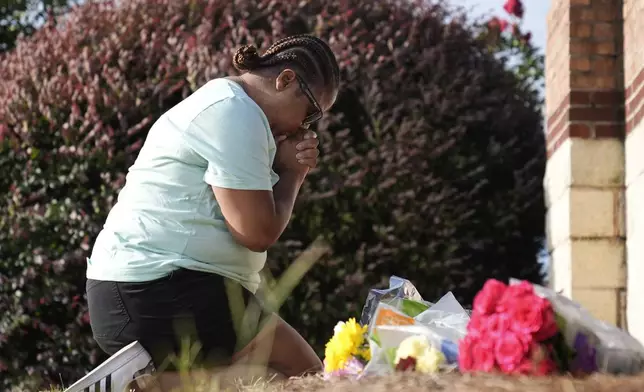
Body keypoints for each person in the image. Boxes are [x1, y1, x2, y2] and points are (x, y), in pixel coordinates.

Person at [80, 34, 340, 391]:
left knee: (279, 380)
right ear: (286, 80)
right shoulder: (236, 112)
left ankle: (156, 386)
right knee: (306, 376)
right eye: (310, 113)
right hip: (153, 288)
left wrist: (282, 167)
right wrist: (294, 174)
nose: (305, 128)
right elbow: (256, 232)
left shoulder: (230, 105)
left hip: (143, 291)